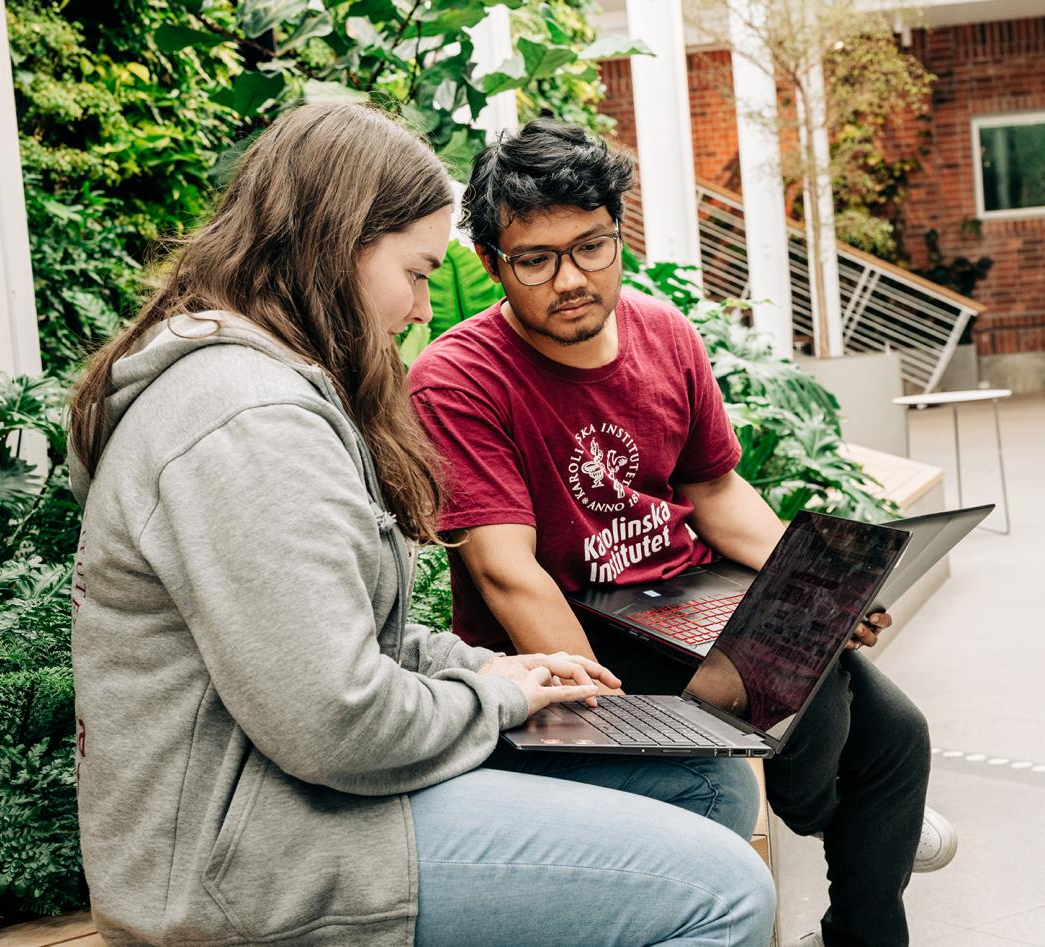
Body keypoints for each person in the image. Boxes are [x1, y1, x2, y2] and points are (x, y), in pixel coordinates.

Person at [67, 102, 776, 946]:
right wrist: (496, 695)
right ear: (340, 248)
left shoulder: (272, 391)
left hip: (306, 796)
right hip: (258, 853)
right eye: (416, 271)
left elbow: (355, 640)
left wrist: (506, 668)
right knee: (724, 891)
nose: (421, 307)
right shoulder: (245, 422)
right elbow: (332, 720)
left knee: (710, 788)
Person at [408, 118, 954, 947]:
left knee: (894, 730)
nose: (571, 279)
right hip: (582, 629)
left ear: (619, 233)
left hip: (691, 603)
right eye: (536, 259)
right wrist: (608, 712)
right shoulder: (459, 375)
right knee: (805, 697)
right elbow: (507, 572)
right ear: (491, 263)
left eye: (592, 246)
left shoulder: (665, 334)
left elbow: (715, 488)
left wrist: (814, 595)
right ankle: (844, 814)